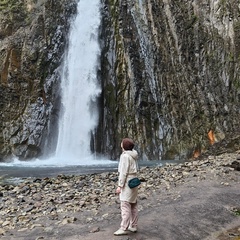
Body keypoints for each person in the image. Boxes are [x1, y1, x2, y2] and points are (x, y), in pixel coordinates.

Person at [114, 138, 139, 236]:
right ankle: (133, 226)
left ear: (124, 146)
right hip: (134, 182)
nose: (120, 144)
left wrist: (120, 185)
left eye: (122, 143)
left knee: (125, 205)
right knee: (133, 204)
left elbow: (123, 172)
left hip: (127, 182)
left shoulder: (125, 156)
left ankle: (123, 228)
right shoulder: (133, 154)